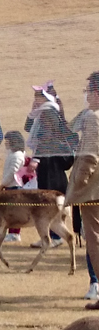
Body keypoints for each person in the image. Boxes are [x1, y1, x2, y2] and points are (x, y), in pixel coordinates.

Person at [25, 81, 78, 248]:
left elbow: (47, 137)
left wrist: (37, 158)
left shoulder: (49, 113)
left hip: (51, 164)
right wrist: (32, 111)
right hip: (50, 163)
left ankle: (55, 236)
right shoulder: (45, 112)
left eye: (38, 96)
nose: (35, 99)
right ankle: (56, 234)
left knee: (49, 200)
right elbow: (28, 127)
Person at [65, 71, 99, 308]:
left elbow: (90, 154)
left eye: (88, 92)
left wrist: (79, 183)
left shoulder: (93, 117)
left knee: (94, 239)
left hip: (93, 191)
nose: (86, 97)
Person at [0, 130, 27, 242]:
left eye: (8, 141)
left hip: (15, 187)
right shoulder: (12, 154)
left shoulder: (17, 156)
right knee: (9, 211)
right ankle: (11, 232)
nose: (6, 143)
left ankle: (15, 234)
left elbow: (12, 172)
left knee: (14, 212)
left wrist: (3, 184)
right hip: (10, 186)